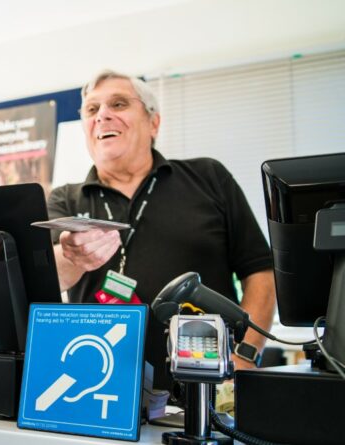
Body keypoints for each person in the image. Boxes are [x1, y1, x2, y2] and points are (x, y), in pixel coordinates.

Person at [48, 70, 276, 390]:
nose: (103, 116)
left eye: (119, 103)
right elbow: (51, 278)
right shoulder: (65, 198)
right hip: (100, 385)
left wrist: (246, 353)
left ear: (153, 123)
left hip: (207, 382)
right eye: (92, 109)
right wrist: (73, 256)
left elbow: (260, 271)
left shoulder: (208, 177)